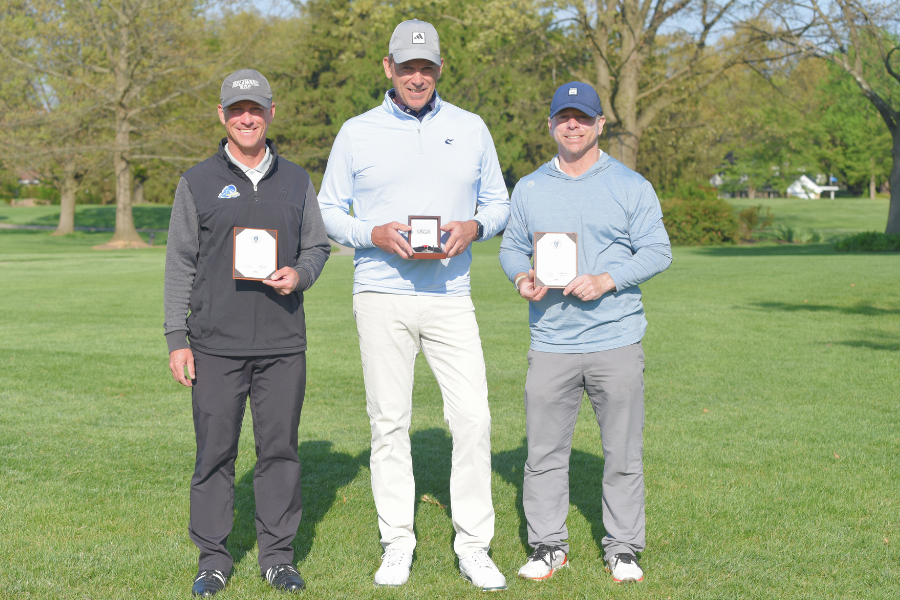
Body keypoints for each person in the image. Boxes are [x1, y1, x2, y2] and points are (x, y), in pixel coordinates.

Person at [317, 19, 510, 591]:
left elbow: (499, 203)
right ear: (389, 68)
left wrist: (474, 226)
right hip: (381, 293)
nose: (417, 77)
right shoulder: (357, 132)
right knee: (389, 423)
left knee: (473, 418)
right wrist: (371, 233)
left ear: (440, 69)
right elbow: (327, 210)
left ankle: (473, 545)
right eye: (407, 68)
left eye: (426, 67)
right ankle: (397, 542)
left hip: (451, 296)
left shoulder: (471, 128)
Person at [163, 68, 330, 597]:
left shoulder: (297, 180)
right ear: (222, 115)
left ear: (270, 113)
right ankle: (213, 559)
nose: (247, 118)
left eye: (255, 109)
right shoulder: (196, 182)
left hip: (283, 344)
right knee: (215, 453)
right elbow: (180, 263)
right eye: (237, 110)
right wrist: (177, 338)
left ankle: (278, 558)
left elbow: (317, 246)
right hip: (215, 346)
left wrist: (300, 274)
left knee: (279, 451)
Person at [498, 82, 672, 584]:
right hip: (551, 342)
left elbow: (658, 251)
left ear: (600, 124)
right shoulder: (529, 187)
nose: (572, 125)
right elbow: (512, 247)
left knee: (622, 455)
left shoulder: (630, 185)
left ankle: (623, 549)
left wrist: (606, 279)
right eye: (563, 117)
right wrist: (521, 277)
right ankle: (549, 546)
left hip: (615, 340)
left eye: (582, 117)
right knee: (542, 455)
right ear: (551, 124)